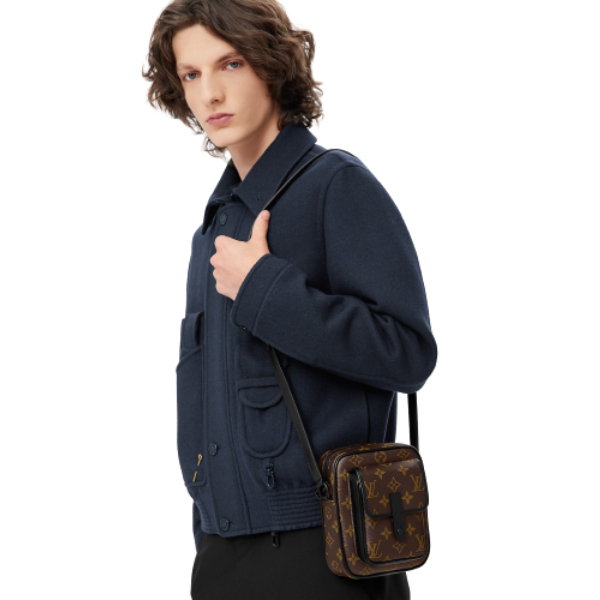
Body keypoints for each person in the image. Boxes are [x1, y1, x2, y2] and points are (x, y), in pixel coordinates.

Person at [142, 1, 437, 598]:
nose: (209, 93)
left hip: (326, 550)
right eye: (191, 74)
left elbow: (408, 353)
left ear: (272, 65)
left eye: (230, 63)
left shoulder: (335, 185)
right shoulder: (213, 229)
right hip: (222, 553)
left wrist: (264, 288)